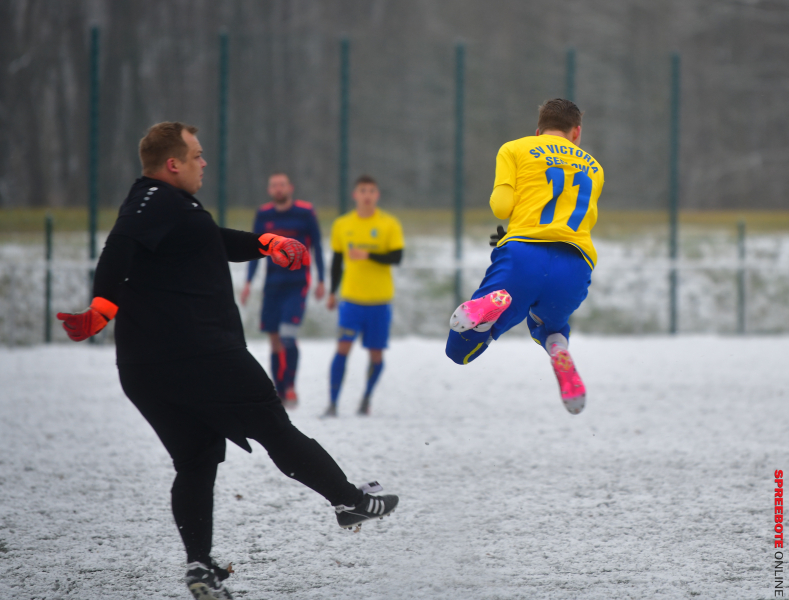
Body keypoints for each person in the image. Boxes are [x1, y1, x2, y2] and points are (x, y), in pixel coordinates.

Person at [56, 122, 398, 600]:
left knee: (195, 461)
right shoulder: (151, 201)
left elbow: (209, 239)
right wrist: (103, 306)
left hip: (146, 367)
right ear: (172, 164)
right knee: (276, 429)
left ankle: (200, 566)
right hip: (200, 353)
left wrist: (265, 244)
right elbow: (119, 245)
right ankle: (351, 501)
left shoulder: (170, 209)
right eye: (197, 155)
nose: (204, 163)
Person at [445, 99, 604, 415]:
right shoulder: (594, 166)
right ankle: (558, 350)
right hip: (575, 264)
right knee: (551, 326)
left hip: (522, 255)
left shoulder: (515, 149)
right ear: (576, 132)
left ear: (538, 130)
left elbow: (501, 208)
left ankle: (488, 308)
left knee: (459, 352)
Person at [239, 172, 324, 408]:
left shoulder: (305, 213)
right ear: (269, 190)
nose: (278, 189)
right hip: (272, 285)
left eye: (282, 185)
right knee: (275, 340)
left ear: (290, 188)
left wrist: (321, 280)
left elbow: (317, 245)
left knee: (288, 335)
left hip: (297, 284)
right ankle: (278, 390)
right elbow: (255, 249)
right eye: (274, 185)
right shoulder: (264, 215)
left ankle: (290, 387)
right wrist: (248, 282)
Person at [324, 175, 404, 417]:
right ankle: (333, 403)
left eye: (371, 190)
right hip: (351, 301)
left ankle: (366, 398)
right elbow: (337, 262)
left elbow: (397, 258)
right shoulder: (342, 224)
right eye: (362, 190)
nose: (367, 195)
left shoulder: (389, 224)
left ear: (377, 195)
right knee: (342, 349)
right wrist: (331, 292)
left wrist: (369, 256)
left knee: (376, 354)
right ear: (355, 195)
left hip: (379, 301)